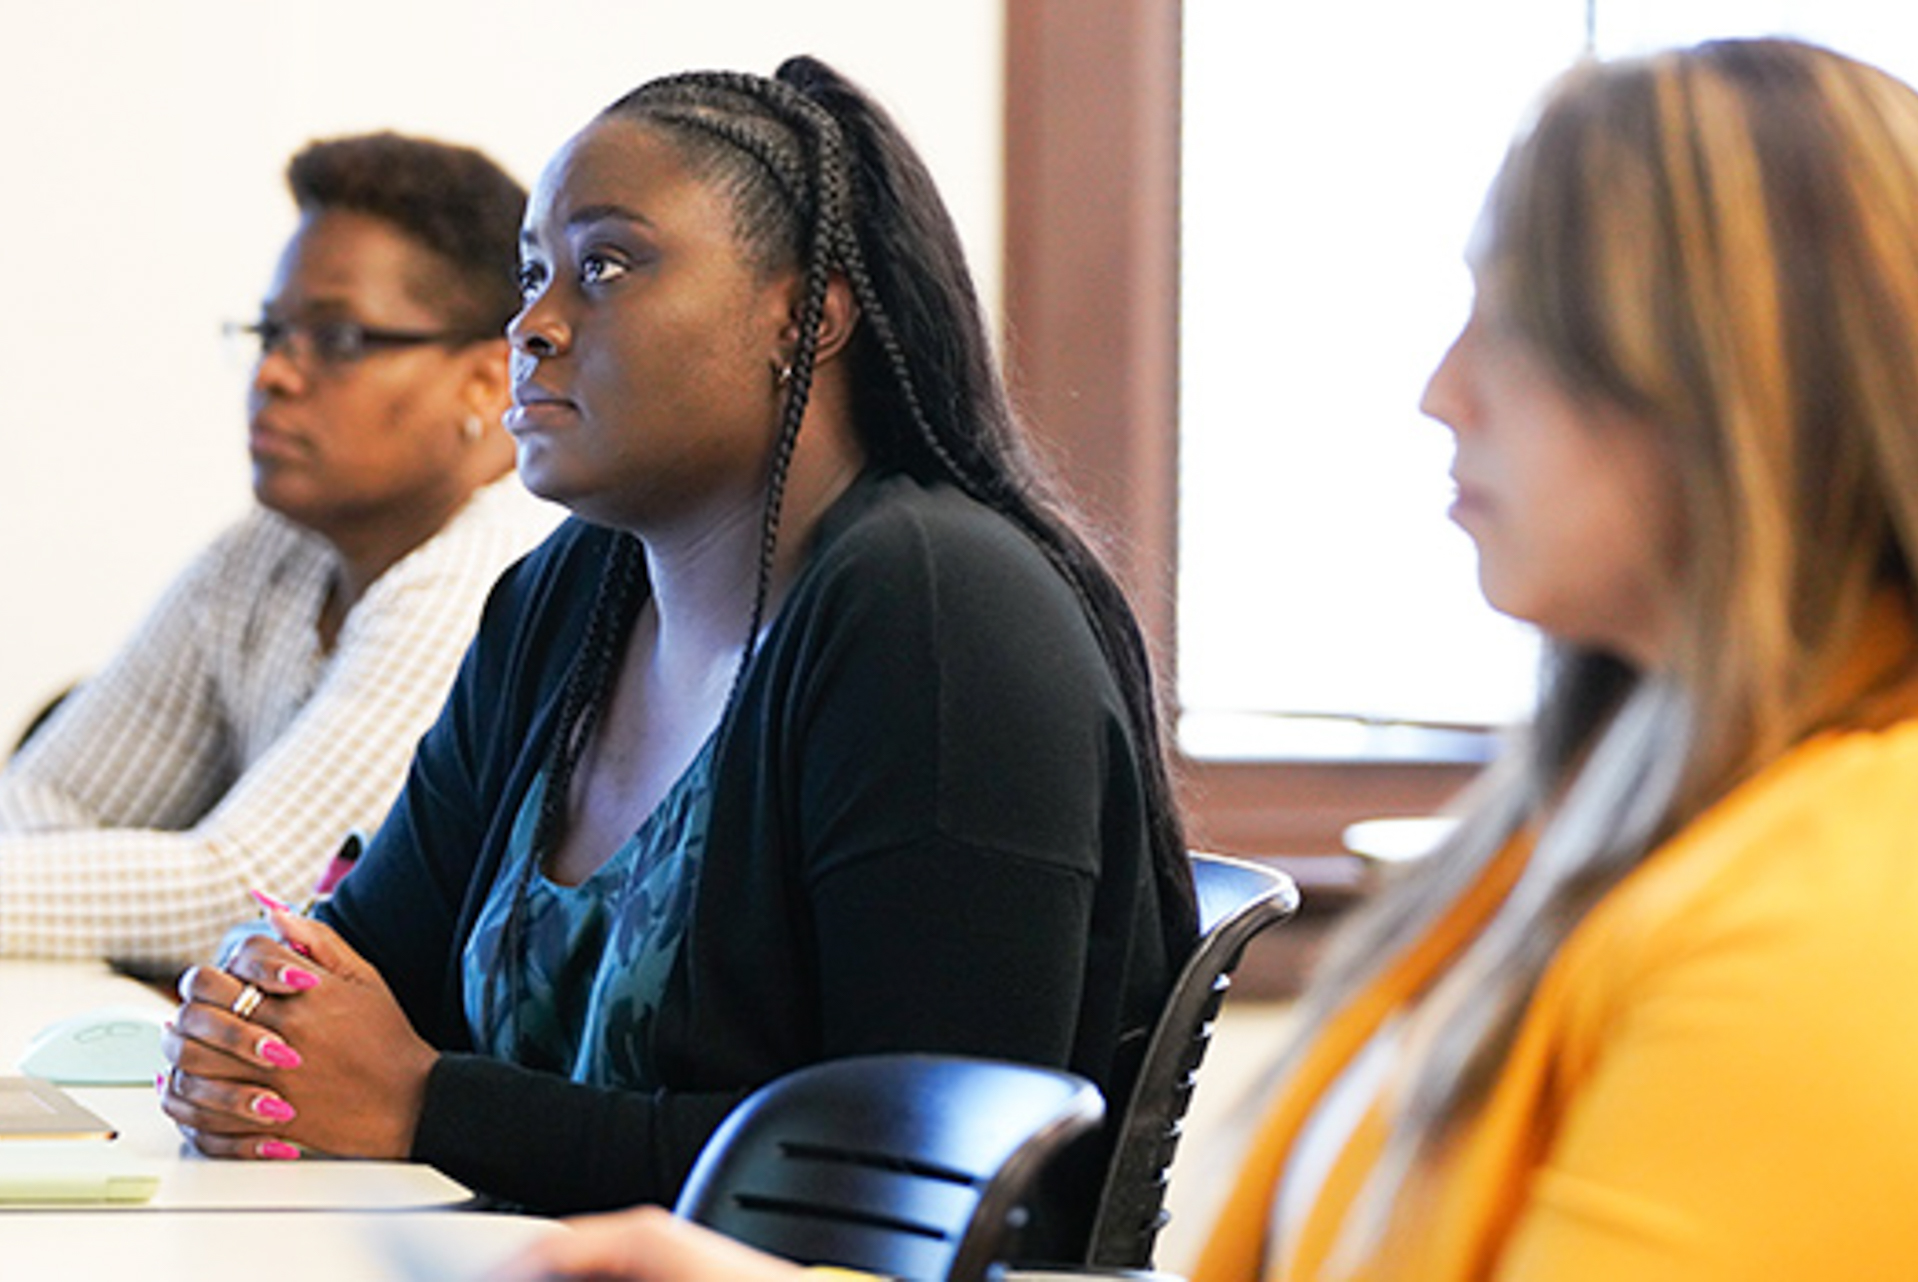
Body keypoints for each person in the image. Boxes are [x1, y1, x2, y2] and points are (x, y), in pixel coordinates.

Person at [495, 35, 1918, 1282]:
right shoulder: (1598, 826)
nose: (1442, 390)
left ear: (1748, 378)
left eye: (1525, 324)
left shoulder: (1836, 912)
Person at [158, 55, 1198, 1232]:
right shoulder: (564, 602)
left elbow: (904, 1172)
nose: (533, 326)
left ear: (805, 316)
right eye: (532, 275)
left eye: (605, 266)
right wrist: (254, 1018)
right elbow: (361, 967)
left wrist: (426, 1104)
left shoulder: (932, 608)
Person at [0, 132, 555, 968]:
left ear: (486, 379)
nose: (274, 375)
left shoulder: (493, 572)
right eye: (271, 331)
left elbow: (245, 895)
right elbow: (48, 799)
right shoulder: (269, 552)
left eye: (335, 340)